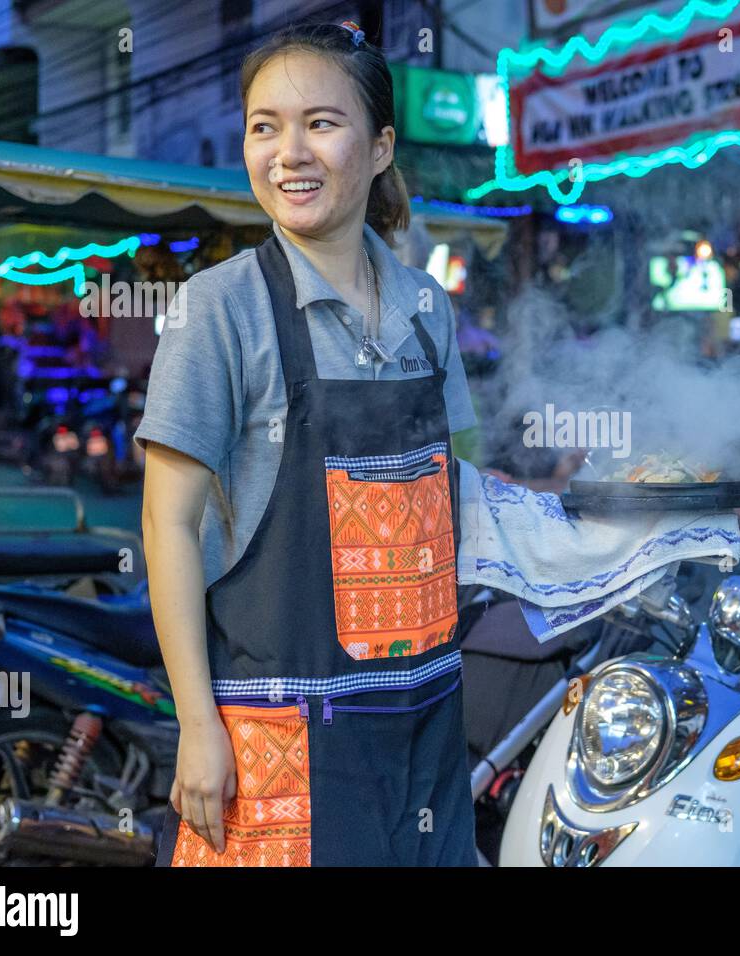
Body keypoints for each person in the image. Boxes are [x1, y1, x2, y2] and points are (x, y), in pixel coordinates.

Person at [136, 20, 479, 866]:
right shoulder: (218, 309)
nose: (289, 151)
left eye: (321, 123)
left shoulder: (428, 311)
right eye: (265, 126)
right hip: (278, 735)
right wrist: (196, 725)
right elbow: (167, 526)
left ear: (380, 146)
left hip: (425, 723)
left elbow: (458, 493)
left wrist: (600, 531)